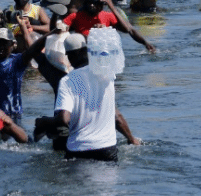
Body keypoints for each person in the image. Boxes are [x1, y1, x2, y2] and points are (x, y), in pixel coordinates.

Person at [35, 33, 140, 161]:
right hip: (107, 150)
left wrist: (44, 122)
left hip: (79, 150)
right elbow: (117, 117)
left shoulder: (67, 81)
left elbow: (64, 119)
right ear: (87, 51)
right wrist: (131, 139)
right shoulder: (107, 75)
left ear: (69, 56)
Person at [62, 0, 156, 52]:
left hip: (102, 51)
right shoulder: (75, 16)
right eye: (90, 3)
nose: (92, 6)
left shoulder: (108, 16)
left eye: (95, 3)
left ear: (101, 5)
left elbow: (129, 29)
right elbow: (59, 29)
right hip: (83, 51)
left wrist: (145, 43)